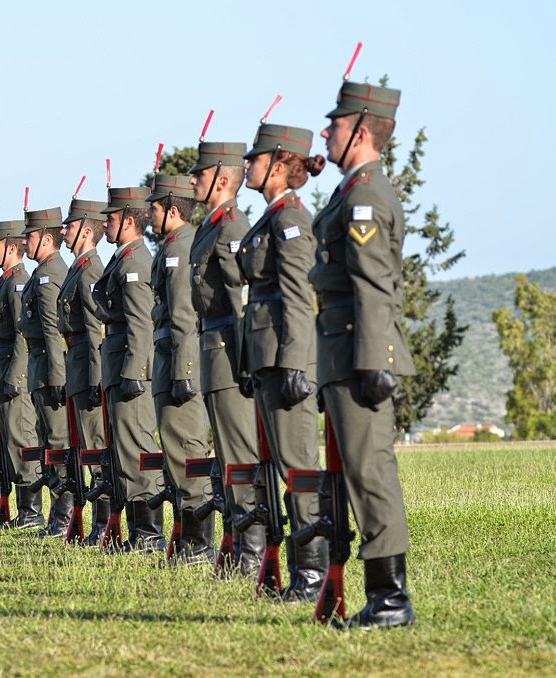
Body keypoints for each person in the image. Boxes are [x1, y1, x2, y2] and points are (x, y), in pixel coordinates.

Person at [308, 80, 416, 629]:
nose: (325, 132)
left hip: (358, 349)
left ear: (362, 130)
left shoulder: (366, 195)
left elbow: (373, 283)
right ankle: (381, 595)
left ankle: (391, 600)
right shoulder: (351, 189)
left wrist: (376, 358)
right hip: (343, 347)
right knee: (355, 472)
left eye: (335, 124)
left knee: (370, 473)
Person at [240, 122, 326, 600]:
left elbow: (297, 296)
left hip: (285, 357)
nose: (247, 167)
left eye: (255, 159)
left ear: (279, 164)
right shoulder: (271, 215)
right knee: (283, 471)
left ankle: (313, 577)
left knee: (299, 471)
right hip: (267, 356)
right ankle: (299, 572)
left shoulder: (291, 217)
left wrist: (296, 362)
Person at [187, 141, 263, 575]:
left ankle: (251, 554)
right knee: (228, 456)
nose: (193, 179)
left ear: (221, 177)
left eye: (200, 173)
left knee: (240, 456)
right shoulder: (211, 225)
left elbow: (239, 298)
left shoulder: (232, 226)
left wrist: (245, 360)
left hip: (230, 353)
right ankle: (238, 548)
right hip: (213, 352)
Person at [145, 173, 213, 564]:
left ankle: (199, 544)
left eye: (153, 208)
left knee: (187, 449)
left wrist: (185, 369)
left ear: (172, 210)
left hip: (178, 359)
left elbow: (186, 315)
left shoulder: (183, 246)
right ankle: (189, 540)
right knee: (175, 449)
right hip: (168, 355)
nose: (148, 215)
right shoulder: (171, 245)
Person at [92, 185, 164, 552]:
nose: (105, 224)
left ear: (129, 221)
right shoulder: (123, 258)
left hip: (129, 364)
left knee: (137, 447)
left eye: (111, 218)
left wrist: (136, 369)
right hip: (118, 359)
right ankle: (140, 532)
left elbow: (140, 322)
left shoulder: (135, 261)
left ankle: (149, 534)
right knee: (124, 448)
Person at [57, 196, 110, 545]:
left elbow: (94, 329)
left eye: (71, 225)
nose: (64, 231)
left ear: (87, 230)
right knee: (86, 448)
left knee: (97, 448)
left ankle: (105, 522)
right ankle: (98, 521)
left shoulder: (90, 268)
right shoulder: (78, 266)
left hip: (87, 365)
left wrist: (94, 377)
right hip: (75, 364)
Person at [0, 217, 42, 529]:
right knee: (10, 441)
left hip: (12, 371)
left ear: (10, 247)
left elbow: (22, 333)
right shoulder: (6, 280)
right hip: (3, 367)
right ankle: (25, 511)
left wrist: (14, 376)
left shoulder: (18, 281)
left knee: (21, 439)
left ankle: (32, 513)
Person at [19, 206, 71, 536]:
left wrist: (56, 376)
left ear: (47, 238)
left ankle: (64, 516)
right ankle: (57, 514)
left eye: (31, 236)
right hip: (39, 365)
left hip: (48, 367)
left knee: (57, 443)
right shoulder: (43, 272)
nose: (25, 242)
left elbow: (53, 330)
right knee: (48, 443)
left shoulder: (50, 274)